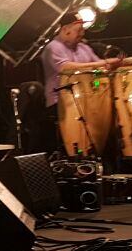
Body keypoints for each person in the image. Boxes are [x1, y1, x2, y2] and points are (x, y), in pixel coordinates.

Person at [38, 13, 123, 155]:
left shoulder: (84, 48)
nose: (82, 33)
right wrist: (104, 62)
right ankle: (81, 156)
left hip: (86, 98)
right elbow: (66, 67)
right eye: (79, 30)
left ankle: (108, 157)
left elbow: (99, 67)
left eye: (82, 29)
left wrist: (112, 65)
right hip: (61, 102)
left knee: (112, 107)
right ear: (66, 29)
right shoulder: (53, 47)